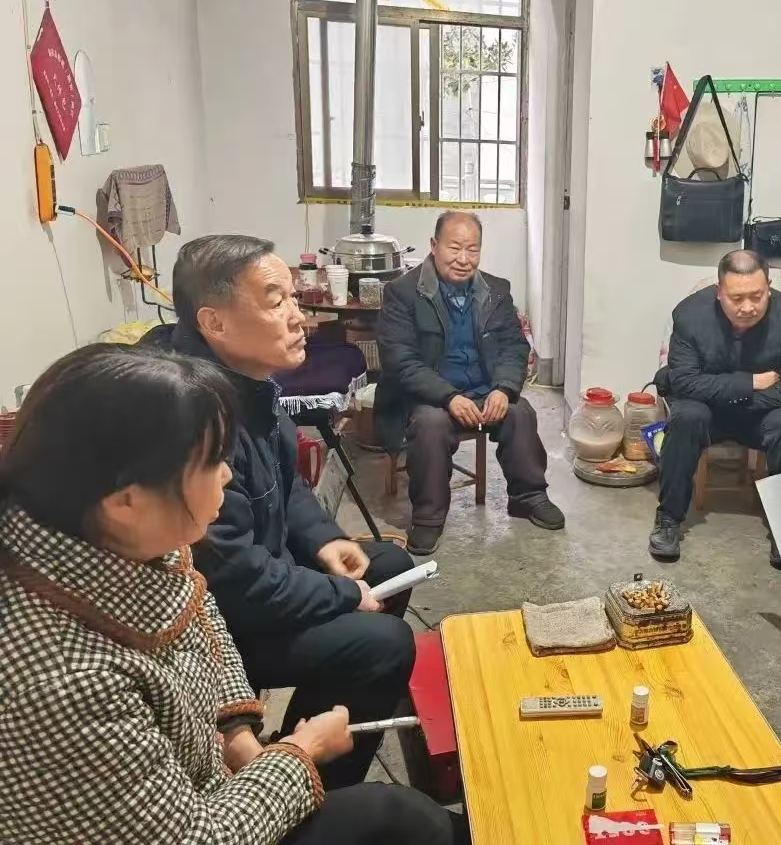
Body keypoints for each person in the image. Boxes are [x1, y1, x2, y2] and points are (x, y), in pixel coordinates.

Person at [0, 344, 467, 845]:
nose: (227, 473)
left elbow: (201, 617)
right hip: (194, 823)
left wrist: (238, 736)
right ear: (127, 502)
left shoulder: (129, 536)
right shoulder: (63, 682)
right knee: (399, 819)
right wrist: (300, 755)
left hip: (205, 777)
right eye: (213, 463)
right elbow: (195, 838)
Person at [144, 234, 417, 790]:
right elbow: (235, 579)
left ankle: (301, 738)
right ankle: (307, 789)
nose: (299, 318)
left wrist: (324, 540)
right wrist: (341, 595)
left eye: (294, 297)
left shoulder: (249, 383)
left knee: (386, 566)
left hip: (253, 575)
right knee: (383, 642)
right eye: (276, 302)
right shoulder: (192, 415)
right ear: (214, 323)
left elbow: (286, 482)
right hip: (221, 623)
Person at [376, 211, 563, 555]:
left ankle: (528, 496)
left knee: (521, 412)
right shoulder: (402, 293)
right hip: (430, 396)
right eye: (454, 248)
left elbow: (514, 346)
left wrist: (503, 388)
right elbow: (400, 361)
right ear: (434, 246)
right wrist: (448, 397)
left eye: (472, 249)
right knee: (430, 425)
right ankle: (428, 517)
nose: (464, 259)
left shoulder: (496, 290)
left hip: (483, 390)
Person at [649, 250, 781, 564]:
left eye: (757, 296)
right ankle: (668, 517)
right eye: (737, 298)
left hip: (764, 413)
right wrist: (751, 382)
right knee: (686, 416)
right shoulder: (689, 314)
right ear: (719, 292)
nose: (748, 307)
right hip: (709, 413)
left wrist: (728, 393)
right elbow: (684, 384)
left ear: (768, 287)